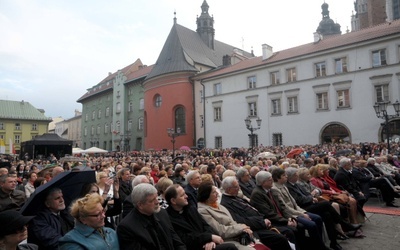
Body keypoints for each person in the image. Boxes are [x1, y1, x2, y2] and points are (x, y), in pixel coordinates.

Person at [220, 177, 293, 250]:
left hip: (262, 223)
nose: (239, 188)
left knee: (290, 231)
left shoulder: (236, 197)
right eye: (236, 187)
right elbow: (241, 220)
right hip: (254, 229)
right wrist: (262, 221)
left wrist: (264, 219)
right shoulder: (225, 204)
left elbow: (254, 210)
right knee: (281, 238)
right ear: (229, 189)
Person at [269, 168, 329, 250]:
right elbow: (285, 208)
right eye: (283, 175)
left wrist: (303, 212)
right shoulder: (275, 189)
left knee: (318, 218)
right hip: (290, 214)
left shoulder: (283, 186)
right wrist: (301, 214)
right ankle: (319, 246)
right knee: (312, 224)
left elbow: (294, 202)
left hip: (297, 210)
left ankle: (319, 244)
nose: (286, 176)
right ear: (277, 177)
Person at [165, 184, 238, 250]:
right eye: (182, 195)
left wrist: (210, 240)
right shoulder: (169, 218)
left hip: (206, 243)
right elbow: (186, 238)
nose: (186, 196)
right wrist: (209, 237)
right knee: (230, 248)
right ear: (173, 201)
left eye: (185, 193)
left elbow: (205, 225)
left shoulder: (190, 208)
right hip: (194, 247)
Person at [117, 183, 186, 250]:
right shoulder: (126, 228)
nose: (157, 202)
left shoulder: (162, 213)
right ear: (140, 205)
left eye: (156, 197)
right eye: (152, 200)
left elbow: (175, 239)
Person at [197, 182, 265, 250]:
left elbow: (232, 222)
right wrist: (241, 228)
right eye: (214, 192)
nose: (217, 194)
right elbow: (219, 230)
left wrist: (244, 229)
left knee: (262, 246)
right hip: (227, 240)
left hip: (238, 235)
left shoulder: (218, 205)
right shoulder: (203, 210)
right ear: (206, 195)